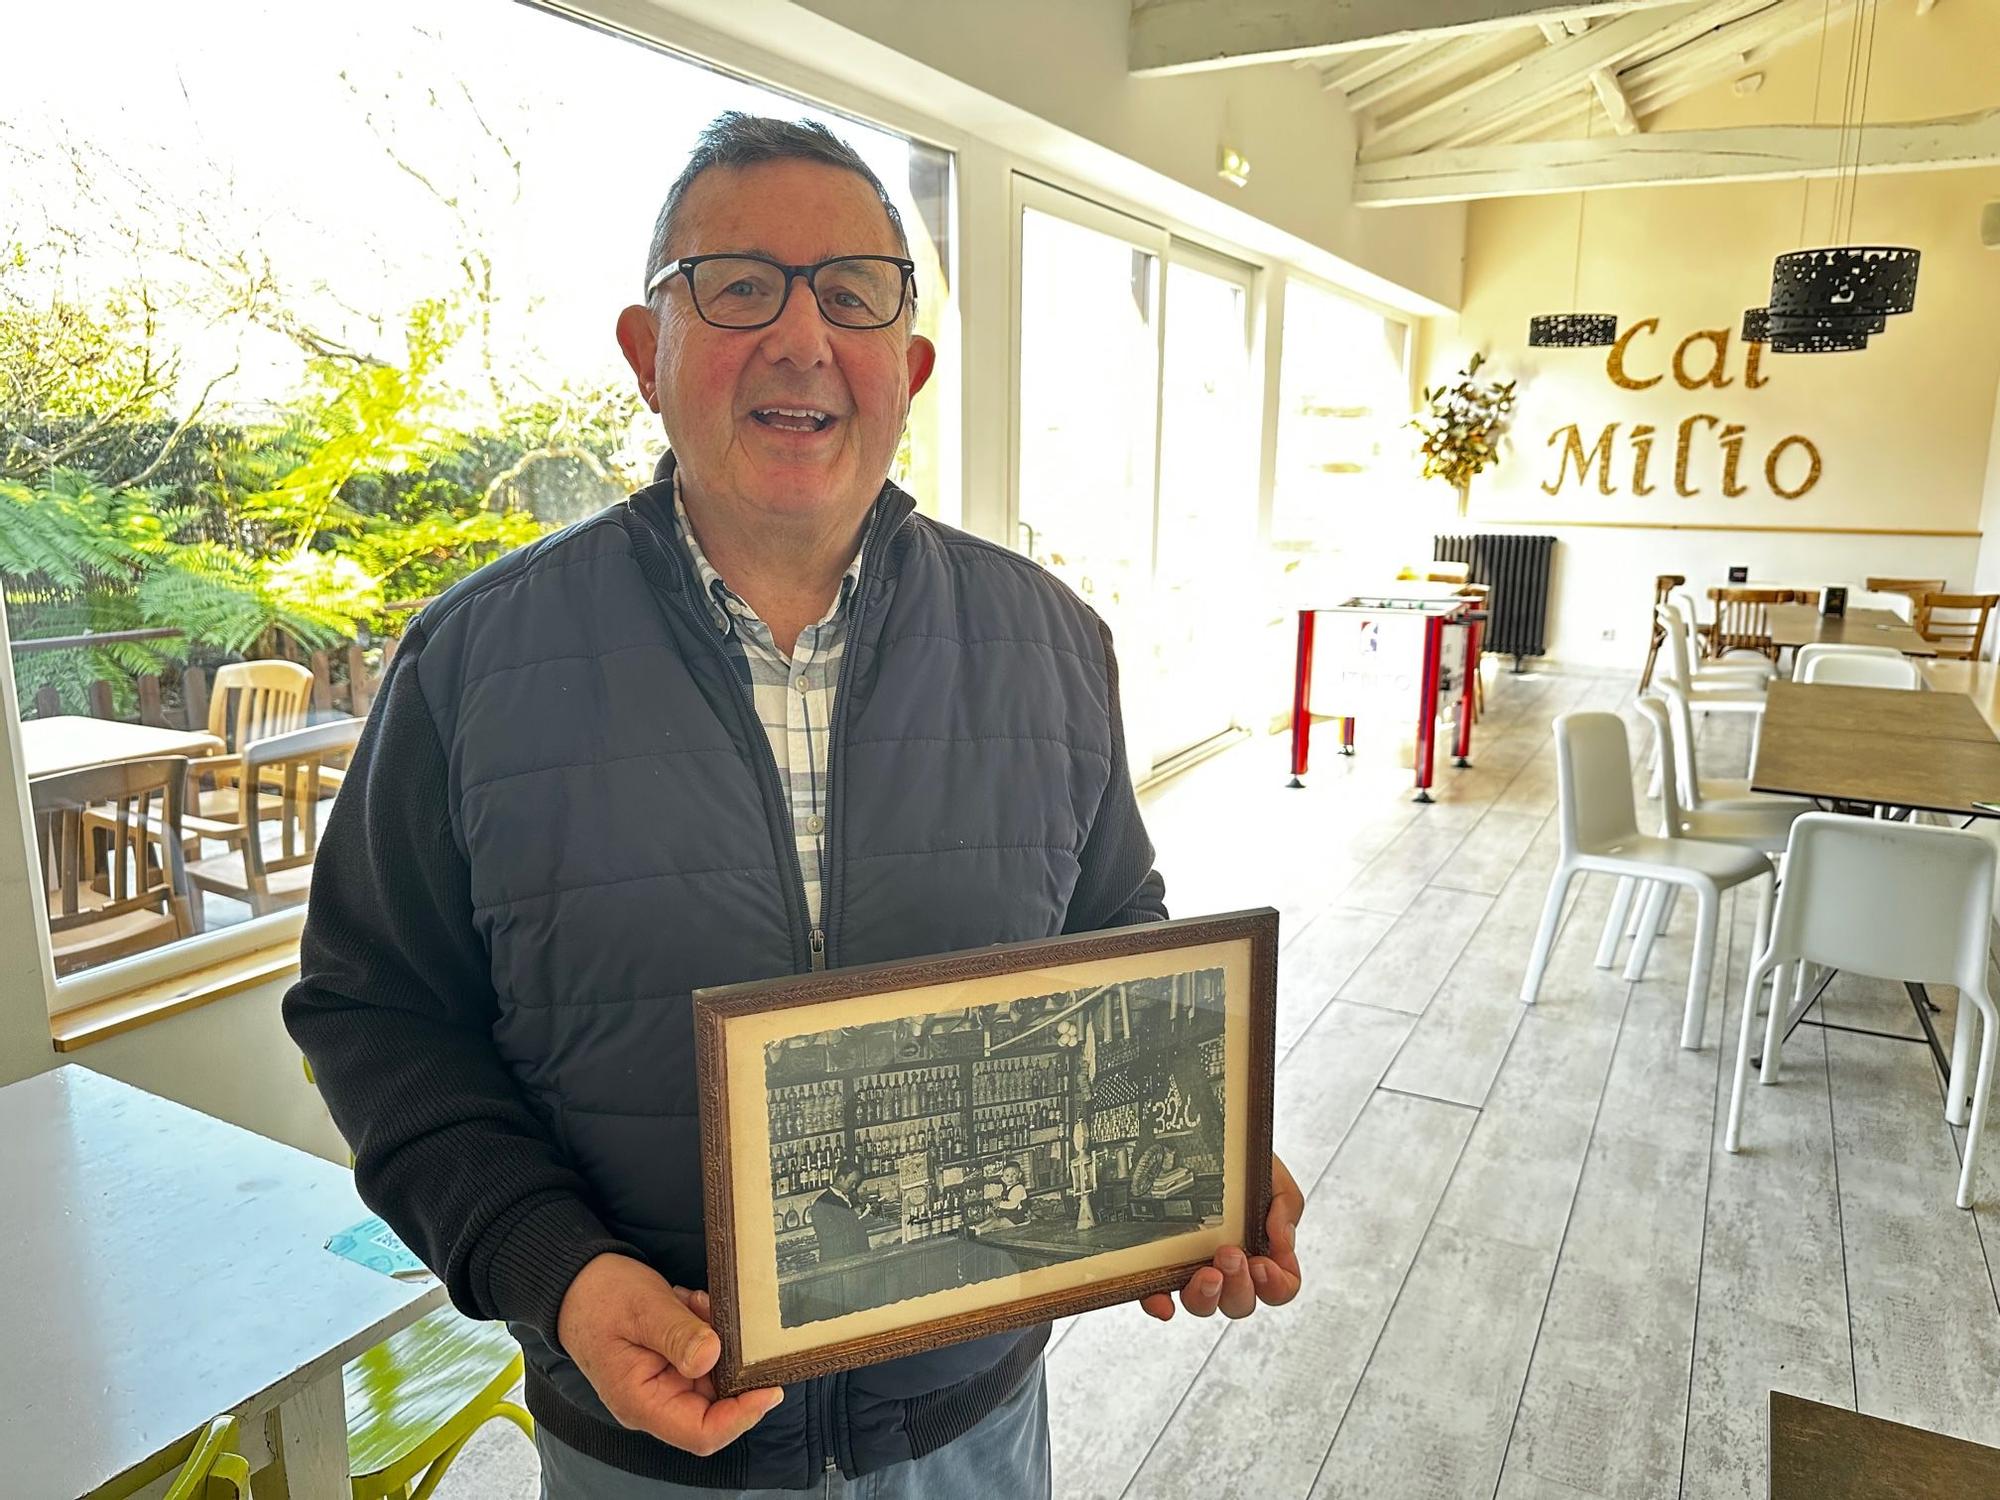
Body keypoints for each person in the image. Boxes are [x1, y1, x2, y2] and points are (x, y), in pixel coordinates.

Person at [285, 111, 1305, 1498]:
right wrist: (558, 1271)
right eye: (740, 285)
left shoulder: (1054, 641)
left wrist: (1198, 1152)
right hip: (644, 1444)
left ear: (910, 365)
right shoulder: (470, 663)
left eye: (854, 292)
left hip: (971, 1435)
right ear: (649, 353)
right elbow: (376, 1014)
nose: (802, 337)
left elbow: (1111, 934)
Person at [808, 1164, 871, 1264]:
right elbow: (827, 1230)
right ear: (840, 1179)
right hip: (837, 1263)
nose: (854, 1187)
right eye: (851, 1182)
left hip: (858, 1258)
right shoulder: (822, 1203)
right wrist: (853, 1214)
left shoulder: (850, 1197)